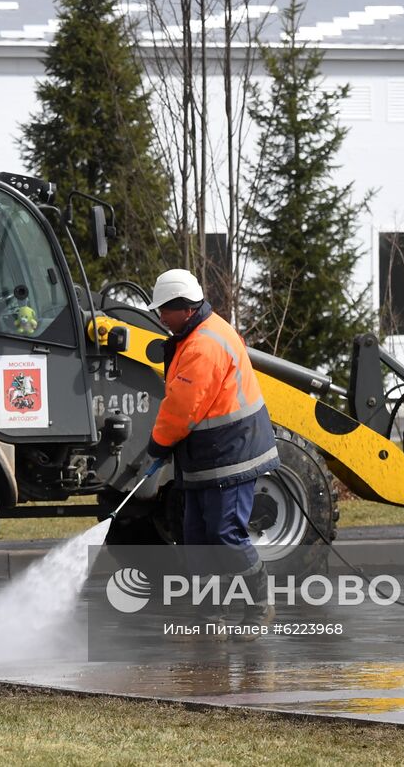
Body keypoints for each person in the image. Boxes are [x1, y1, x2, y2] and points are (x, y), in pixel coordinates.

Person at [145, 268, 279, 635]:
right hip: (208, 455)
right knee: (198, 540)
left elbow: (182, 407)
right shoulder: (196, 334)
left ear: (185, 309)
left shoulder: (204, 344)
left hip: (231, 454)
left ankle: (260, 603)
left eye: (164, 311)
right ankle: (211, 615)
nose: (160, 318)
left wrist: (158, 443)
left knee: (224, 535)